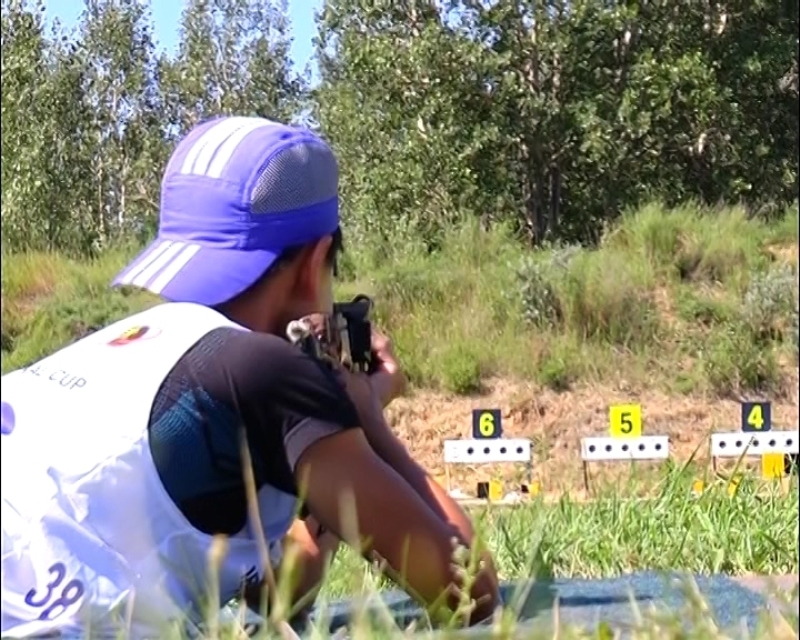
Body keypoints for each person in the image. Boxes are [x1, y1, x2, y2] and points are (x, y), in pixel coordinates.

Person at [0, 116, 500, 639]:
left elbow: (278, 592)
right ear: (315, 260)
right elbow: (469, 593)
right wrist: (367, 421)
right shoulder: (267, 371)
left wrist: (323, 455)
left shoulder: (130, 344)